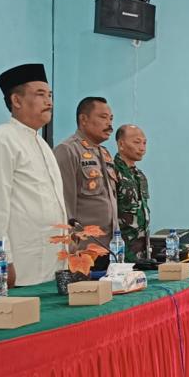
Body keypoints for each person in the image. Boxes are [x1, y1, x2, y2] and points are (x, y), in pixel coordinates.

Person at [0, 64, 67, 286]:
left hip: (52, 265)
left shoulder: (42, 145)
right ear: (16, 100)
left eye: (50, 95)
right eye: (40, 94)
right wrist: (2, 261)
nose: (49, 102)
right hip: (19, 269)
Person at [53, 97, 118, 269]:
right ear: (83, 119)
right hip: (84, 251)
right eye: (103, 117)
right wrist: (71, 247)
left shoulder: (104, 153)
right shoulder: (68, 150)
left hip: (110, 248)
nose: (109, 123)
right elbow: (64, 204)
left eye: (111, 118)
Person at [113, 124, 151, 262]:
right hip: (121, 252)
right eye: (136, 142)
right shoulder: (111, 172)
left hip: (142, 253)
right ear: (121, 144)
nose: (142, 148)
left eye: (144, 143)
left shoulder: (140, 176)